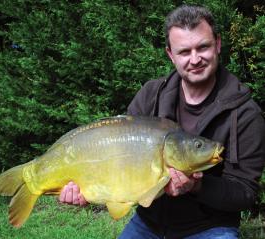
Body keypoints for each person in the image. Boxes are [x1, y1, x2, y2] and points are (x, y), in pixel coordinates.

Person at [59, 4, 265, 239]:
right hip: (149, 224)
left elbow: (245, 193)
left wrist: (197, 186)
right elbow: (119, 161)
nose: (195, 59)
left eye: (203, 47)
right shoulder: (151, 94)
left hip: (210, 227)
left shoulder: (245, 114)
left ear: (217, 44)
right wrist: (90, 187)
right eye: (184, 51)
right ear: (170, 54)